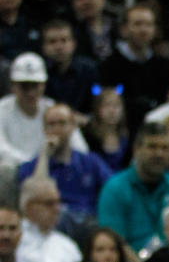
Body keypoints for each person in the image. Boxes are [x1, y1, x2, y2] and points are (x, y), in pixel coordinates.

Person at [96, 122, 169, 256]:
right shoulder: (114, 189)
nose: (159, 154)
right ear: (136, 149)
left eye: (165, 148)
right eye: (152, 147)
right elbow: (114, 244)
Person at [17, 104, 112, 238]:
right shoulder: (31, 167)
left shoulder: (90, 162)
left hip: (89, 221)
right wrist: (44, 155)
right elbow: (36, 197)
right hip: (53, 225)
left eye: (62, 123)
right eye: (51, 124)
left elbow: (113, 188)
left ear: (72, 126)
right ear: (44, 130)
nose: (56, 129)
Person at [0, 52, 87, 166]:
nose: (30, 92)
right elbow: (2, 149)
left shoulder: (53, 109)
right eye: (24, 86)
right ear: (13, 86)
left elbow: (80, 148)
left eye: (35, 85)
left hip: (51, 170)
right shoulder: (2, 109)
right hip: (15, 170)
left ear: (43, 85)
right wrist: (31, 164)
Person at [39, 19, 98, 115]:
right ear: (43, 47)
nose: (59, 46)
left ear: (74, 44)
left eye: (64, 40)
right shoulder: (39, 71)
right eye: (52, 42)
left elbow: (96, 104)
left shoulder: (88, 70)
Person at [17, 176, 81, 262]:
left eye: (58, 203)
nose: (57, 209)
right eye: (49, 203)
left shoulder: (68, 246)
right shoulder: (13, 241)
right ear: (29, 207)